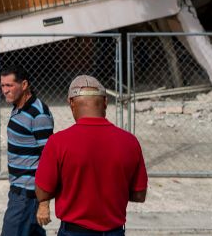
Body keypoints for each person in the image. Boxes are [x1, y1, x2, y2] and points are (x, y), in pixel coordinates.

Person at [34, 75, 147, 236]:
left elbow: (42, 192)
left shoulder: (58, 142)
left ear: (71, 102)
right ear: (105, 102)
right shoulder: (130, 141)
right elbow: (139, 194)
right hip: (114, 231)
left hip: (74, 231)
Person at [0, 65, 54, 236]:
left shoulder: (39, 115)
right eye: (3, 85)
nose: (5, 90)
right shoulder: (18, 107)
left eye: (10, 85)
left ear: (24, 85)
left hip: (27, 194)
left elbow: (49, 159)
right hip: (19, 189)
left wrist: (44, 203)